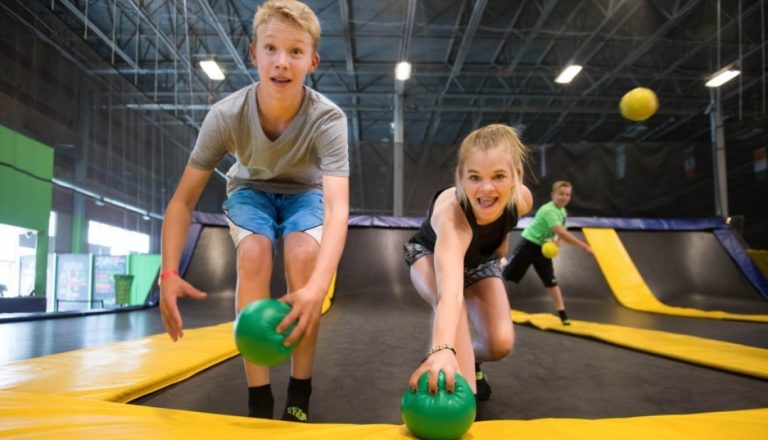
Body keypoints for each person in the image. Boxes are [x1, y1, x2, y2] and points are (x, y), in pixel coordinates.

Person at [157, 0, 349, 422]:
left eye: (295, 52)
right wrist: (169, 272)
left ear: (312, 61)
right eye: (271, 49)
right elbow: (181, 201)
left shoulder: (328, 119)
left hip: (305, 191)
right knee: (254, 254)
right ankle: (258, 397)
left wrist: (318, 286)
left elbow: (338, 210)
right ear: (254, 53)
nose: (282, 62)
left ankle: (299, 392)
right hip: (249, 188)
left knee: (303, 257)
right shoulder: (226, 115)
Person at [403, 124, 532, 409]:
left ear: (516, 177)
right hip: (428, 254)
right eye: (474, 177)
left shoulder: (521, 200)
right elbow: (450, 296)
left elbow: (504, 225)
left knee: (500, 343)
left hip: (481, 259)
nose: (486, 188)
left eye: (498, 176)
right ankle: (464, 394)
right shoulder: (454, 217)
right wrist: (442, 348)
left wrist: (501, 251)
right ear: (461, 178)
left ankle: (466, 360)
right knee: (454, 308)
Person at [502, 180, 593, 327]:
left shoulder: (562, 211)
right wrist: (584, 247)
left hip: (543, 249)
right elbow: (560, 231)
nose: (564, 197)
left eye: (567, 195)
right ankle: (502, 265)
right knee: (508, 275)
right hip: (529, 245)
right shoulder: (548, 210)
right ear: (553, 195)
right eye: (561, 194)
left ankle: (563, 314)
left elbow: (562, 233)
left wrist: (558, 242)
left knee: (551, 282)